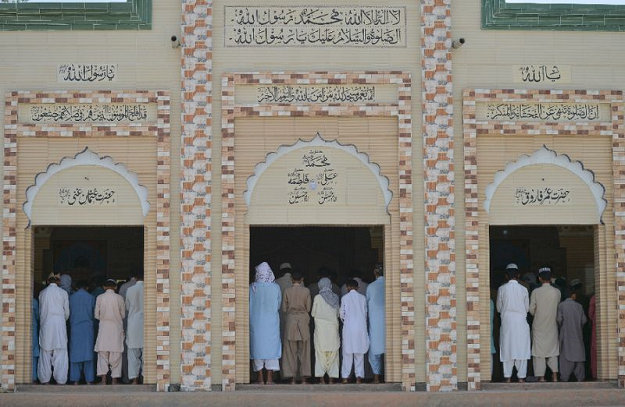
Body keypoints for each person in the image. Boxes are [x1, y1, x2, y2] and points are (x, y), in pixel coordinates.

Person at [496, 263, 530, 383]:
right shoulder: (524, 289)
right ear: (518, 275)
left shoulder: (502, 289)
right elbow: (527, 308)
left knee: (507, 348)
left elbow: (499, 308)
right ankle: (521, 377)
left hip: (507, 322)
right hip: (521, 322)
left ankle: (508, 377)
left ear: (506, 276)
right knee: (521, 349)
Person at [249, 262, 282, 385]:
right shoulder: (276, 288)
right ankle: (269, 379)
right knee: (271, 348)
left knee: (257, 347)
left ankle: (260, 379)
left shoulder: (252, 287)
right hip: (272, 323)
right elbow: (278, 304)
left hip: (256, 323)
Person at [529, 267, 560, 382]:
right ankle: (555, 375)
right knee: (553, 350)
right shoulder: (557, 292)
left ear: (540, 279)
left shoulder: (536, 292)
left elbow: (531, 309)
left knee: (539, 352)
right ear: (551, 278)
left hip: (539, 326)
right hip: (552, 325)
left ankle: (541, 377)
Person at [38, 273, 70, 385]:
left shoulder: (42, 293)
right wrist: (62, 320)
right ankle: (61, 380)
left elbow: (40, 312)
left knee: (45, 354)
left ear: (47, 281)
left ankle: (44, 380)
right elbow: (66, 313)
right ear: (58, 281)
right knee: (60, 353)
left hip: (46, 326)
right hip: (59, 326)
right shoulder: (63, 293)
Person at [282, 271, 312, 384]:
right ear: (302, 279)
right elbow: (308, 308)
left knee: (290, 351)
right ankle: (304, 379)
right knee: (304, 351)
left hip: (291, 321)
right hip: (303, 320)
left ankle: (292, 379)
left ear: (291, 279)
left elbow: (284, 309)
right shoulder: (306, 291)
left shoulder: (287, 291)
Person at [94, 279, 125, 385]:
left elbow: (96, 315)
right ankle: (114, 380)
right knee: (116, 355)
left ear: (104, 287)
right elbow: (123, 315)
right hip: (116, 329)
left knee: (102, 354)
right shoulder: (119, 298)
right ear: (115, 287)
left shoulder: (99, 297)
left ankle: (103, 379)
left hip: (103, 328)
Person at [311, 277, 340, 384]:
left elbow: (313, 313)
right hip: (333, 329)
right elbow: (338, 314)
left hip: (321, 330)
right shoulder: (335, 297)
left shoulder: (318, 298)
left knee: (320, 354)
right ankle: (331, 379)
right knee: (333, 354)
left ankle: (322, 379)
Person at [340, 279, 369, 383]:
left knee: (347, 353)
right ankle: (358, 377)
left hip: (348, 328)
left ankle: (345, 377)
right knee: (359, 353)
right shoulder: (362, 298)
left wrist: (346, 321)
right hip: (361, 328)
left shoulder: (344, 298)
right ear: (357, 288)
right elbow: (365, 313)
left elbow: (342, 314)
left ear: (347, 287)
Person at [69, 280, 96, 385]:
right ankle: (89, 380)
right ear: (87, 288)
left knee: (75, 354)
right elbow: (94, 314)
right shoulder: (91, 297)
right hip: (87, 328)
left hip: (75, 328)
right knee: (88, 354)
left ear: (76, 288)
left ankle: (75, 380)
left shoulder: (71, 298)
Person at [558, 286, 587, 382]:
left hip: (566, 335)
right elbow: (584, 320)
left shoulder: (561, 306)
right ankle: (580, 378)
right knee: (579, 357)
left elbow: (559, 320)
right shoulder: (579, 306)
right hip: (577, 335)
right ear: (573, 295)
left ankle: (564, 378)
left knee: (565, 357)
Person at [366, 263, 385, 383]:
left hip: (375, 319)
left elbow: (367, 304)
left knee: (374, 349)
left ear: (374, 272)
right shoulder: (391, 285)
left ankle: (377, 377)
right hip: (389, 321)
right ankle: (392, 376)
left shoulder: (371, 287)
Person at [119, 270, 137, 384]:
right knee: (143, 352)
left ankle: (127, 377)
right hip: (145, 324)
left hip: (126, 322)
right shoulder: (148, 286)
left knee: (127, 352)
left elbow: (122, 307)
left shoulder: (125, 287)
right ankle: (143, 378)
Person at [125, 271, 144, 384]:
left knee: (132, 353)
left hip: (133, 323)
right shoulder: (149, 290)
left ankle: (135, 379)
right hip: (146, 324)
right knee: (146, 353)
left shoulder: (130, 290)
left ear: (135, 278)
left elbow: (127, 306)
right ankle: (146, 378)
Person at [589, 294, 597, 379]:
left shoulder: (594, 298)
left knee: (595, 350)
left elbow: (590, 314)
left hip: (596, 328)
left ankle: (595, 373)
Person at [32, 294, 40, 383]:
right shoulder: (34, 301)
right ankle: (33, 377)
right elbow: (38, 316)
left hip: (20, 330)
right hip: (33, 328)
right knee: (33, 352)